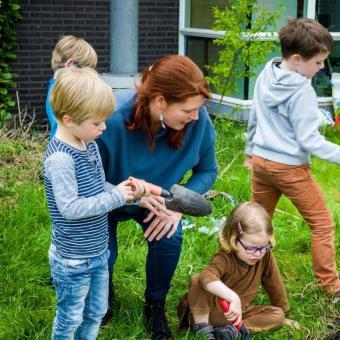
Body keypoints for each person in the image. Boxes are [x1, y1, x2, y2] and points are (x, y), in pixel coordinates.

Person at [96, 54, 218, 339]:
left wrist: (177, 206)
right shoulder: (109, 120)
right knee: (104, 255)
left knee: (170, 236)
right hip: (107, 196)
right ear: (160, 101)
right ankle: (103, 295)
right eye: (188, 110)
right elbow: (87, 181)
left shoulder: (197, 123)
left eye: (198, 109)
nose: (196, 117)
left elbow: (208, 169)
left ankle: (154, 305)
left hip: (158, 200)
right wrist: (129, 197)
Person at [43, 67, 149, 339]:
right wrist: (115, 198)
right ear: (68, 120)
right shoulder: (61, 160)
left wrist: (123, 190)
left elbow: (96, 186)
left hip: (98, 251)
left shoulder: (87, 143)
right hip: (73, 259)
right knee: (70, 318)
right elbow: (70, 208)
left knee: (96, 312)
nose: (104, 127)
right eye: (97, 122)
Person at [245, 17, 340, 301]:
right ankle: (332, 287)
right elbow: (309, 141)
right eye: (319, 62)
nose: (322, 68)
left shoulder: (267, 72)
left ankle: (244, 277)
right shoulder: (302, 91)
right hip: (290, 168)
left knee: (256, 223)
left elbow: (254, 115)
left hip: (261, 162)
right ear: (298, 59)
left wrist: (250, 150)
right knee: (322, 224)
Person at [177, 202, 291, 340]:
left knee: (277, 315)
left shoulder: (264, 255)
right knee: (198, 280)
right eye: (251, 248)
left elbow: (274, 282)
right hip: (209, 311)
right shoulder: (225, 258)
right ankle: (203, 331)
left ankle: (232, 332)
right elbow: (206, 276)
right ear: (233, 238)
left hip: (239, 314)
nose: (258, 254)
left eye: (264, 247)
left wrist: (283, 312)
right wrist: (232, 297)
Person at [46, 35, 97, 138]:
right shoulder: (63, 92)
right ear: (70, 64)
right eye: (87, 71)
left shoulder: (56, 88)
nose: (89, 76)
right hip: (67, 148)